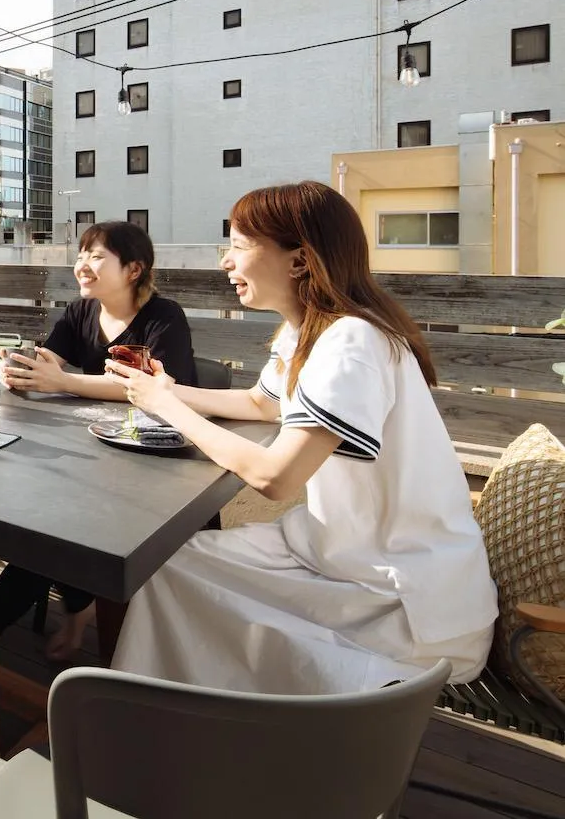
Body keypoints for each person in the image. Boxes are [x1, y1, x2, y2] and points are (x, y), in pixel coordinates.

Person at [106, 181, 497, 694]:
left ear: (298, 260)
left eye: (240, 245)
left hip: (406, 603)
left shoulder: (351, 342)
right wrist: (166, 388)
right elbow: (259, 404)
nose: (226, 261)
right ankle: (164, 723)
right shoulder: (307, 333)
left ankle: (161, 729)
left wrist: (169, 407)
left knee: (170, 579)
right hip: (340, 556)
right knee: (168, 570)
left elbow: (276, 477)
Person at [0, 220, 198, 660]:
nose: (83, 264)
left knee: (58, 517)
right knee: (46, 511)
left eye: (97, 256)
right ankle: (74, 606)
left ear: (134, 269)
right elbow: (52, 361)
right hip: (90, 450)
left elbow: (153, 389)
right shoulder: (80, 311)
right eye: (82, 254)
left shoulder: (165, 317)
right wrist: (24, 370)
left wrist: (62, 379)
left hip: (157, 465)